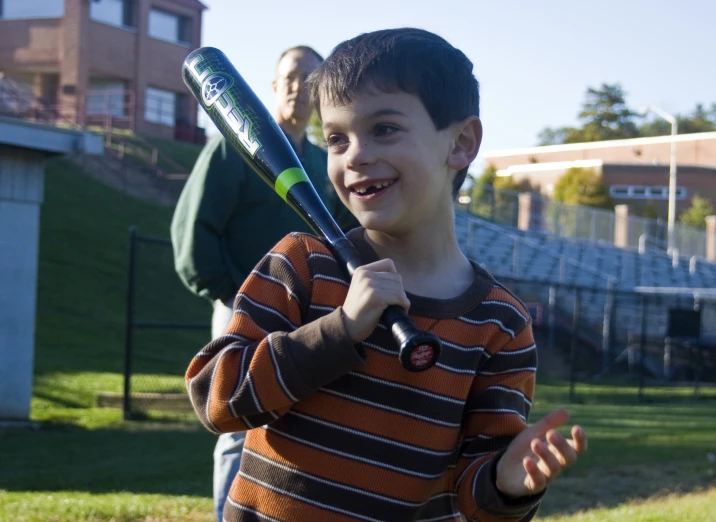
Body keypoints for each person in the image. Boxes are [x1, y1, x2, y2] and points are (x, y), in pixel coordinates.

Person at [184, 28, 587, 522]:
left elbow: (475, 494)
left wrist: (507, 484)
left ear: (461, 143)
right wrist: (339, 331)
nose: (355, 155)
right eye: (336, 138)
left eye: (385, 129)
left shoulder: (500, 325)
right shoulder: (302, 265)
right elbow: (217, 398)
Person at [171, 45, 357, 522]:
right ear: (273, 86)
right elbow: (193, 237)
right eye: (290, 76)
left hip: (306, 317)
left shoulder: (322, 163)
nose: (298, 86)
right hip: (240, 307)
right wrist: (235, 293)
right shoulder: (234, 149)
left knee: (291, 423)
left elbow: (342, 237)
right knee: (237, 427)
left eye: (309, 79)